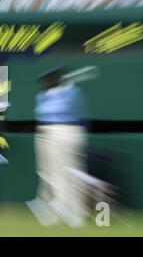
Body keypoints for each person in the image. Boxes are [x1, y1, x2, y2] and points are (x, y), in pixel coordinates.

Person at [28, 66, 88, 227]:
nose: (45, 83)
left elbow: (79, 114)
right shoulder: (42, 96)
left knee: (64, 174)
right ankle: (55, 211)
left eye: (48, 80)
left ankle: (71, 212)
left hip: (63, 133)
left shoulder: (71, 92)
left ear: (56, 80)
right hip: (47, 134)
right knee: (46, 172)